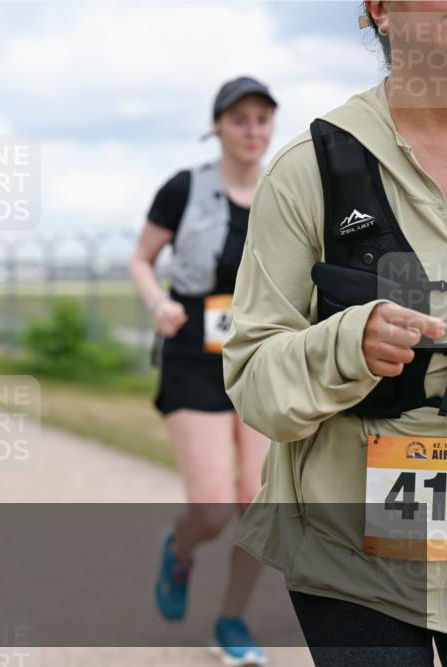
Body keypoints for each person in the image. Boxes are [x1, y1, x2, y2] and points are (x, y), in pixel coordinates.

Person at [223, 3, 447, 665]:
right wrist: (348, 342)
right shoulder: (309, 170)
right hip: (349, 534)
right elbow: (254, 378)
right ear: (380, 8)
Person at [130, 76, 277, 663]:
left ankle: (233, 620)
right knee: (215, 508)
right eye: (239, 119)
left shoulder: (288, 188)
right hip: (194, 352)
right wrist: (157, 302)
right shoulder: (184, 188)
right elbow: (142, 259)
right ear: (217, 125)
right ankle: (181, 550)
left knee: (262, 502)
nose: (252, 130)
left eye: (262, 119)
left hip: (262, 353)